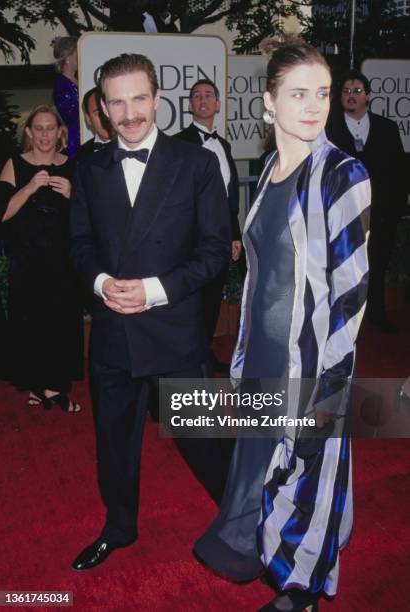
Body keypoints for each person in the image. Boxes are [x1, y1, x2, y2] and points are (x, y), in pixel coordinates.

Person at [194, 37, 371, 612]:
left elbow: (351, 291)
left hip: (313, 361)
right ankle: (265, 555)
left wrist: (332, 386)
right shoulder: (271, 167)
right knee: (260, 462)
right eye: (298, 93)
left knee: (309, 470)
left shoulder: (342, 174)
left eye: (321, 93)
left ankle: (305, 590)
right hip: (265, 353)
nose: (314, 105)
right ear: (269, 103)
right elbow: (260, 276)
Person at [69, 53, 231, 571]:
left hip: (173, 331)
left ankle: (243, 521)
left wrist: (154, 290)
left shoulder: (196, 164)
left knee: (205, 443)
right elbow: (79, 244)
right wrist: (100, 282)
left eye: (139, 98)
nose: (129, 112)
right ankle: (119, 527)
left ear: (158, 98)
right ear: (102, 108)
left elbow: (212, 252)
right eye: (116, 102)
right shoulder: (90, 167)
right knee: (114, 445)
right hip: (114, 333)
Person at [0, 105, 84, 411]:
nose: (45, 134)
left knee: (59, 324)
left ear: (60, 132)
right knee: (31, 325)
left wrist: (73, 195)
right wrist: (30, 187)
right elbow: (3, 213)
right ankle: (41, 387)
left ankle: (51, 387)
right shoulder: (15, 165)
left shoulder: (72, 167)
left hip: (63, 262)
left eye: (51, 128)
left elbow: (91, 220)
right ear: (29, 133)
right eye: (40, 128)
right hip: (27, 261)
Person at [326, 69, 407, 334]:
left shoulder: (387, 128)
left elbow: (398, 171)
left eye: (357, 91)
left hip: (381, 214)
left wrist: (395, 210)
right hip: (342, 214)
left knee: (377, 265)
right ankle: (343, 322)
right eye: (346, 91)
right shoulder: (328, 129)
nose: (351, 96)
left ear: (368, 96)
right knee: (343, 269)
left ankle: (377, 315)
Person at [176, 79, 242, 372]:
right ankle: (188, 360)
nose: (203, 100)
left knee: (212, 300)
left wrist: (234, 234)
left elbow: (230, 194)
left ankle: (203, 355)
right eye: (196, 96)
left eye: (209, 96)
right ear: (190, 106)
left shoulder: (224, 145)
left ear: (217, 104)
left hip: (219, 239)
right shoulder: (178, 144)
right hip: (190, 241)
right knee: (191, 305)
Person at [52, 36, 80, 158]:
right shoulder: (62, 84)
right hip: (74, 138)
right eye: (78, 53)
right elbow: (72, 113)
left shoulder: (78, 80)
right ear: (69, 55)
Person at [76, 87, 114, 162]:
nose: (105, 117)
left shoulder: (135, 147)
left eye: (108, 110)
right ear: (88, 119)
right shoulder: (81, 154)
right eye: (98, 113)